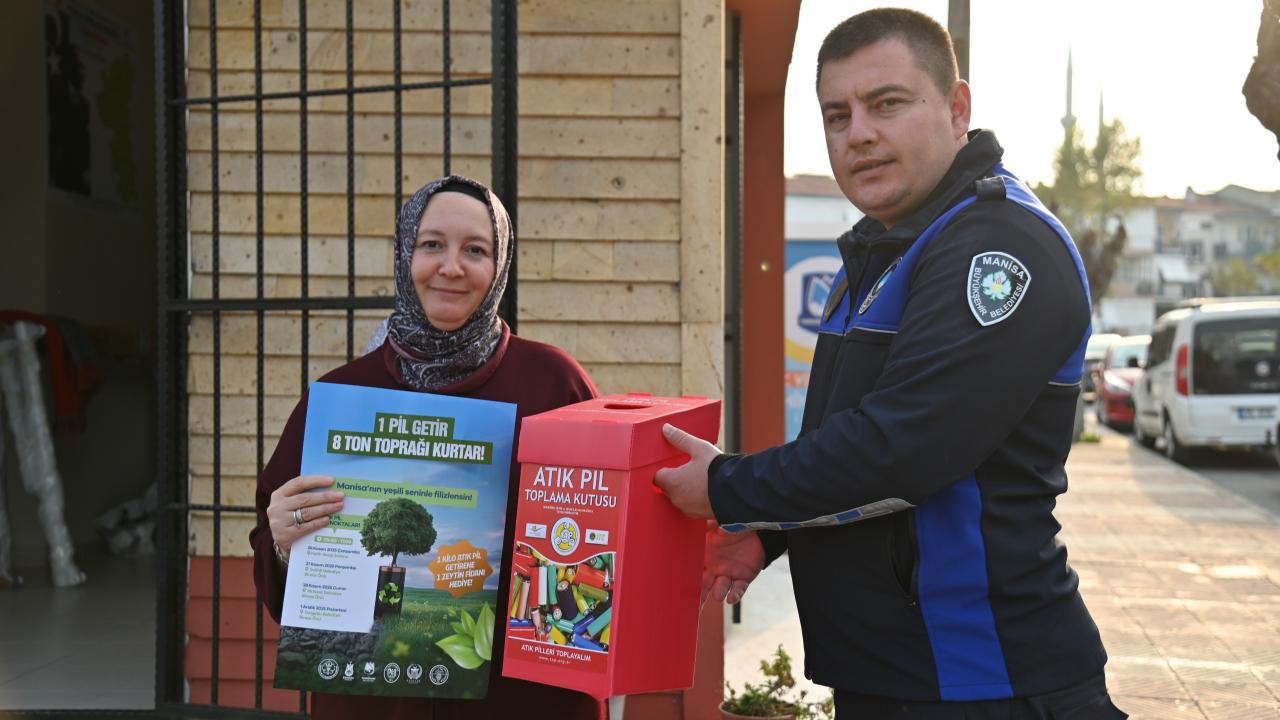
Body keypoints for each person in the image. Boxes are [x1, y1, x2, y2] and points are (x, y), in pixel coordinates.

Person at [655, 8, 1127, 719]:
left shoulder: (996, 250)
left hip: (986, 681)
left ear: (956, 106)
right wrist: (774, 528)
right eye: (837, 115)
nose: (859, 134)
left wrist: (727, 488)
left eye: (887, 104)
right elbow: (860, 442)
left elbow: (905, 449)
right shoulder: (888, 251)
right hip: (901, 676)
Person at [250, 175, 602, 720]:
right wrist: (281, 539)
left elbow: (600, 533)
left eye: (476, 250)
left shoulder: (554, 384)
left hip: (524, 700)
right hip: (376, 700)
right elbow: (277, 563)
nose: (452, 266)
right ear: (403, 255)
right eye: (431, 244)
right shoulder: (344, 396)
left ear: (500, 265)